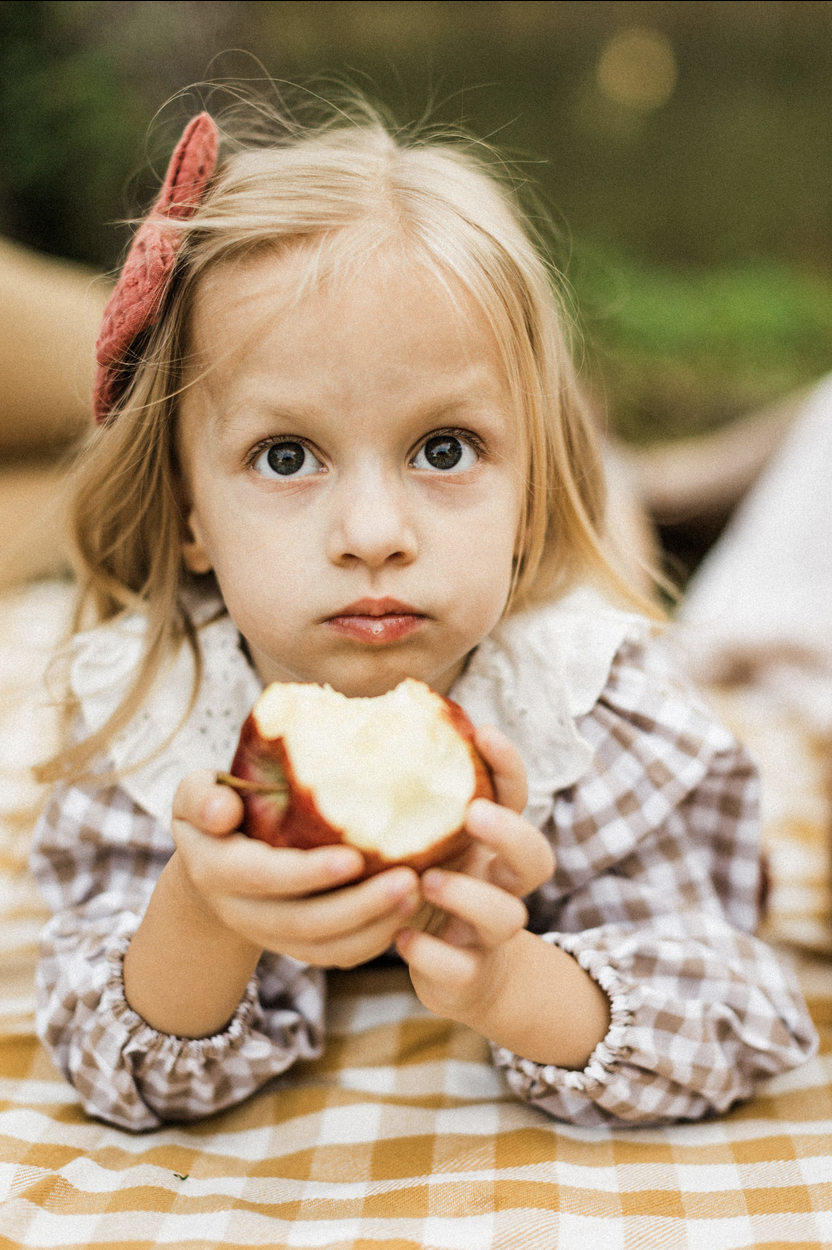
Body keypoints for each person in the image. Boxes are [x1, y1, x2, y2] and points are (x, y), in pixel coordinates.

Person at [31, 103, 816, 1132]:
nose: (372, 533)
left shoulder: (587, 711)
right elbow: (112, 1061)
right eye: (285, 455)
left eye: (443, 448)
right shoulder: (160, 715)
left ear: (527, 493)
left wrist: (512, 983)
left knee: (610, 565)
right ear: (190, 518)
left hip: (548, 586)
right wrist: (202, 910)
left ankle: (618, 475)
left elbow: (735, 1012)